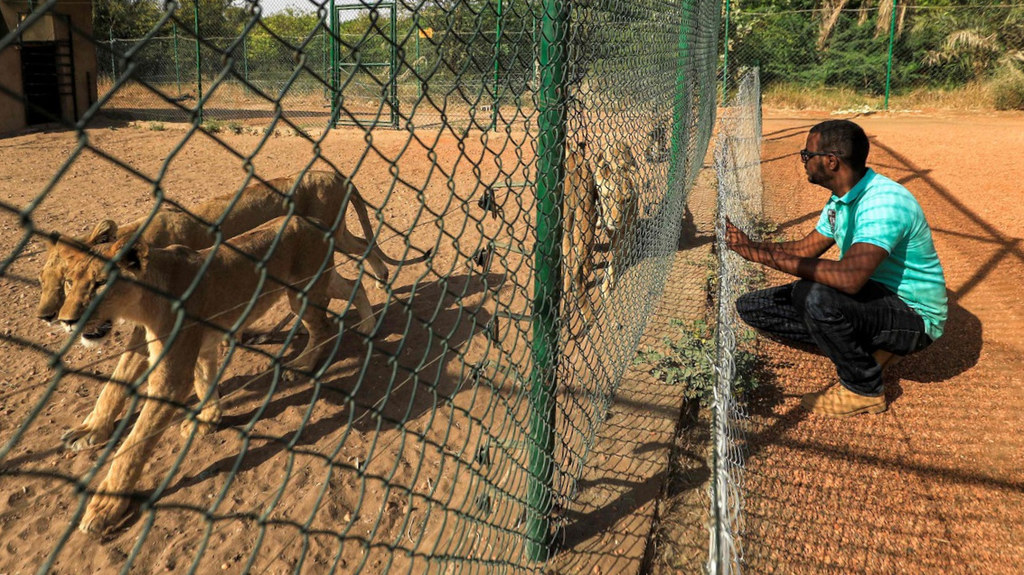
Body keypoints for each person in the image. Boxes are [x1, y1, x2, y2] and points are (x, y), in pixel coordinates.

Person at [725, 119, 947, 416]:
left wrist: (759, 256)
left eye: (806, 155)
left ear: (830, 161)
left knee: (814, 295)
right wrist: (752, 246)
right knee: (754, 306)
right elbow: (806, 248)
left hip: (913, 317)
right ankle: (868, 347)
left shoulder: (883, 203)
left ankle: (863, 389)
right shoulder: (841, 199)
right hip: (874, 300)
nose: (803, 161)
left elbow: (851, 279)